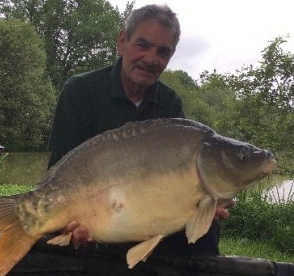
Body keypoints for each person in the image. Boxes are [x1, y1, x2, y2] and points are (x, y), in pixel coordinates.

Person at [47, 4, 232, 256]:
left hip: (143, 217)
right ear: (122, 41)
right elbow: (58, 172)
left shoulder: (170, 104)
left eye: (163, 51)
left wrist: (207, 204)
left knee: (206, 232)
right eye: (143, 45)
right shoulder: (79, 91)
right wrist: (71, 221)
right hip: (91, 212)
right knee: (56, 231)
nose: (151, 59)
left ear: (171, 55)